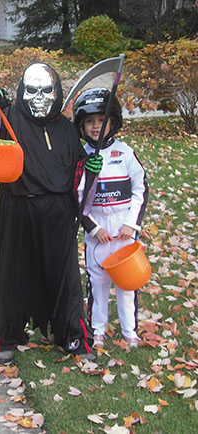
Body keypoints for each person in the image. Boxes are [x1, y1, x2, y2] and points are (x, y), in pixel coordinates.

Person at [0, 63, 100, 364]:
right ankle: (6, 336)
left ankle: (73, 335)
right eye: (32, 90)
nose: (40, 98)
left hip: (58, 212)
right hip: (18, 207)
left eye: (47, 91)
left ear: (57, 92)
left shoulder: (66, 129)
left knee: (64, 275)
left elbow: (77, 177)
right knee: (13, 272)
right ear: (23, 92)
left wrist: (88, 173)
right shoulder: (8, 118)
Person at [73, 88, 148, 349]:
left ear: (112, 122)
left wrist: (131, 224)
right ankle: (98, 330)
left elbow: (141, 188)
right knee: (98, 282)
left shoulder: (125, 153)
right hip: (98, 233)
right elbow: (76, 196)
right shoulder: (80, 156)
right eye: (90, 121)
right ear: (82, 125)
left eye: (100, 120)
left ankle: (130, 332)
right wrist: (93, 228)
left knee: (127, 284)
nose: (96, 126)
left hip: (123, 231)